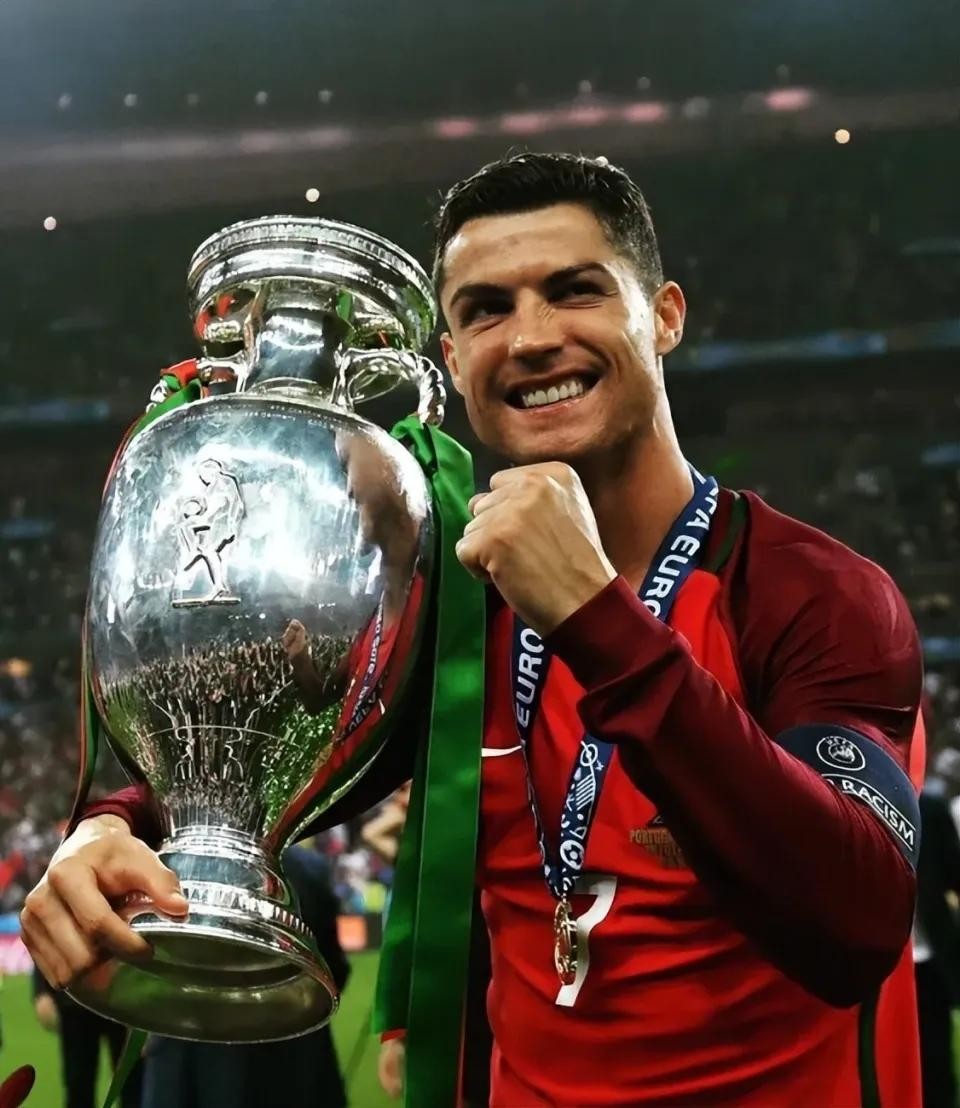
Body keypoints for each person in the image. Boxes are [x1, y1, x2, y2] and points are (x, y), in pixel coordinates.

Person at [22, 153, 926, 1107]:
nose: (531, 338)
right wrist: (104, 829)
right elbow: (255, 764)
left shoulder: (811, 594)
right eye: (487, 310)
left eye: (575, 291)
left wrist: (597, 619)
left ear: (664, 315)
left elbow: (859, 920)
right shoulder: (450, 610)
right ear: (451, 362)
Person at [139, 845, 350, 1108]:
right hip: (293, 1050)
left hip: (191, 1044)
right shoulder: (309, 867)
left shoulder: (175, 861)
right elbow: (333, 973)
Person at [33, 963, 142, 1108]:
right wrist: (41, 990)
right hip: (75, 999)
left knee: (133, 1083)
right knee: (78, 1084)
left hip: (124, 998)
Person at [914, 773, 960, 1108]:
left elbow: (954, 873)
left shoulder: (930, 810)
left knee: (935, 1055)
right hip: (881, 967)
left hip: (928, 958)